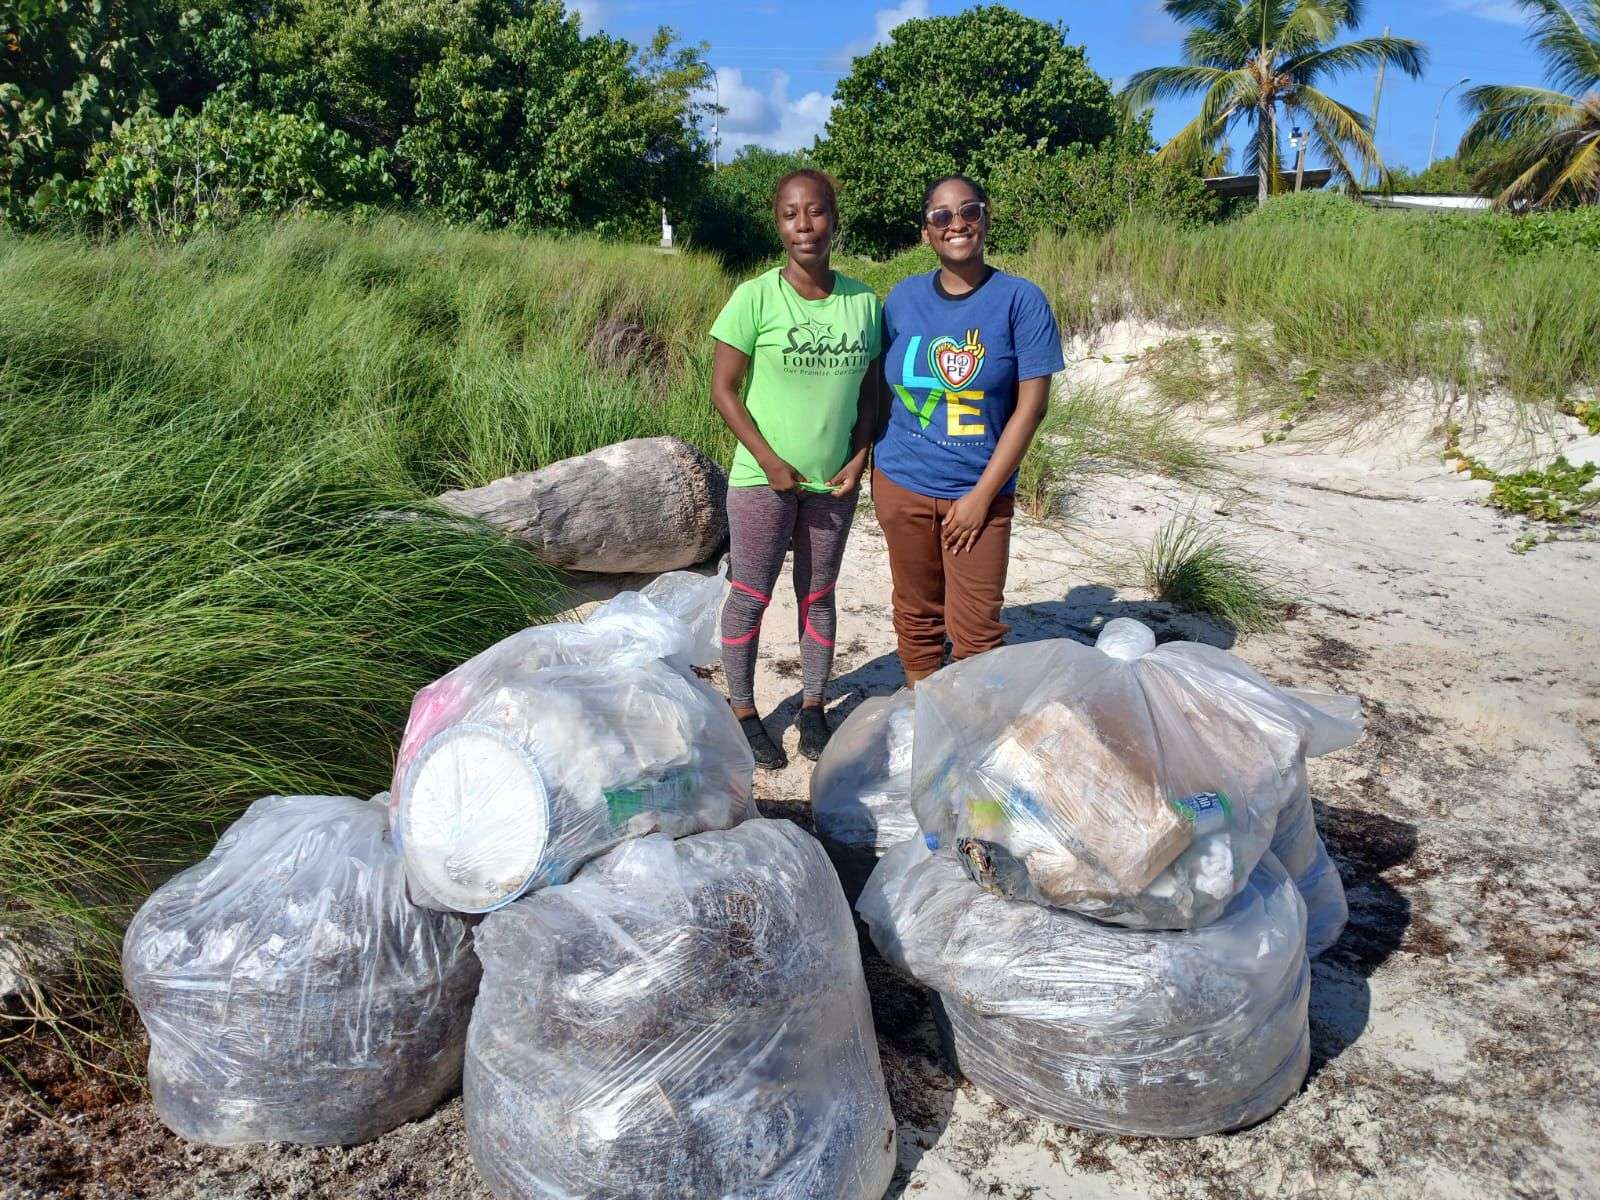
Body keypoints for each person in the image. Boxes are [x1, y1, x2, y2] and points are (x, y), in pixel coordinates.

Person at [709, 170, 883, 769]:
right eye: (790, 214)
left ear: (835, 217)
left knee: (819, 595)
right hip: (764, 481)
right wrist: (768, 459)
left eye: (815, 212)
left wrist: (859, 457)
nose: (803, 225)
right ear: (777, 222)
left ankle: (813, 706)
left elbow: (871, 394)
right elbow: (724, 389)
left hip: (832, 482)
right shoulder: (754, 297)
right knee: (751, 594)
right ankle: (743, 710)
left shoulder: (864, 302)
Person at [873, 175, 1064, 685]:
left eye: (969, 211)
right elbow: (876, 387)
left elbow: (1032, 408)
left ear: (986, 218)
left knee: (977, 631)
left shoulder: (1020, 300)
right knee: (916, 614)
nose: (957, 223)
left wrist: (982, 496)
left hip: (979, 491)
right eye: (941, 215)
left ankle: (967, 729)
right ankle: (920, 713)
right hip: (901, 481)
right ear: (925, 233)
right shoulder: (902, 299)